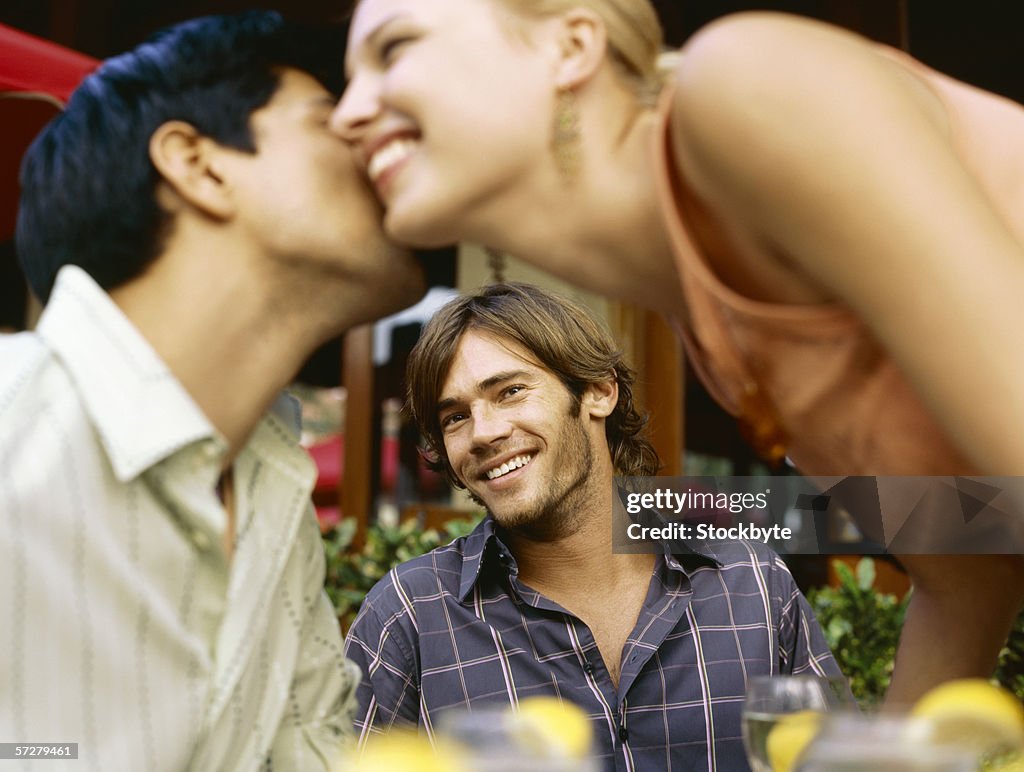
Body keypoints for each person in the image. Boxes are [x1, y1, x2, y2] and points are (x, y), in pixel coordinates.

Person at [331, 0, 1024, 704]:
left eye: (394, 49)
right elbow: (969, 568)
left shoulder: (743, 87)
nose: (345, 114)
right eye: (452, 416)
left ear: (571, 46)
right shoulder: (720, 339)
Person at [1, 11, 425, 770]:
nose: (374, 138)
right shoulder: (13, 426)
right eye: (330, 121)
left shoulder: (271, 492)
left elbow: (313, 752)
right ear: (198, 164)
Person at [344, 282, 842, 770]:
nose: (484, 432)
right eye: (454, 418)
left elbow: (838, 763)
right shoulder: (408, 615)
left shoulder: (752, 584)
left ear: (599, 392)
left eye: (511, 391)